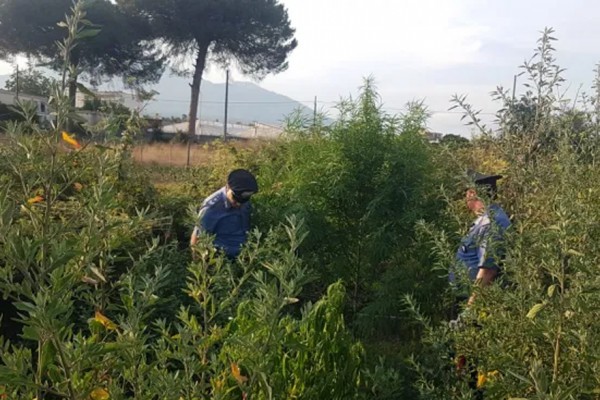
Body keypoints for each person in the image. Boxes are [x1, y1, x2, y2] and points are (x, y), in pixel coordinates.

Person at [451, 170, 511, 307]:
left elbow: (488, 270)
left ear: (473, 193)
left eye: (467, 193)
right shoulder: (483, 220)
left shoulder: (493, 222)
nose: (466, 197)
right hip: (467, 299)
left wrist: (470, 310)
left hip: (478, 304)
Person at [190, 169, 258, 258]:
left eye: (242, 201)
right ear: (228, 187)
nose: (238, 204)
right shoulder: (211, 208)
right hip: (221, 260)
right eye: (235, 199)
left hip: (245, 257)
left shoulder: (243, 199)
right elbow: (197, 240)